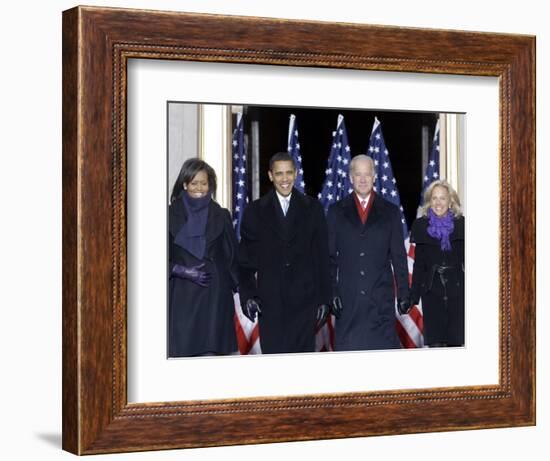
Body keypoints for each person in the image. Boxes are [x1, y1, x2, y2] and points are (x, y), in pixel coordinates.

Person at [238, 152, 332, 354]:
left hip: (305, 304)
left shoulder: (313, 209)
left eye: (289, 173)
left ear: (296, 174)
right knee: (275, 368)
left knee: (302, 367)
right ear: (270, 175)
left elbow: (322, 258)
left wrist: (325, 298)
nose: (284, 179)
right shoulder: (255, 211)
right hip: (270, 304)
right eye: (279, 174)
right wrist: (248, 296)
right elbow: (245, 262)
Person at [327, 154, 410, 351]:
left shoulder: (390, 212)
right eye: (358, 174)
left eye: (367, 174)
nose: (363, 179)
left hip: (380, 303)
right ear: (350, 178)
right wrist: (331, 293)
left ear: (374, 177)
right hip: (348, 305)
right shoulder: (336, 211)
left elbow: (399, 258)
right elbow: (328, 258)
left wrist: (404, 293)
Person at [168, 158, 239, 357]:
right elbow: (151, 259)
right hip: (182, 299)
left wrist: (245, 291)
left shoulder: (222, 215)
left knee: (213, 363)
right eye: (194, 183)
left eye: (204, 183)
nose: (199, 187)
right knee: (183, 360)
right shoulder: (166, 215)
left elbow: (233, 258)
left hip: (215, 300)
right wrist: (179, 270)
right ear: (184, 184)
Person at [409, 180, 465, 347]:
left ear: (450, 202)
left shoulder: (462, 224)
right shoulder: (421, 226)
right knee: (436, 347)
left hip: (458, 294)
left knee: (457, 346)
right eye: (434, 198)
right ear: (429, 201)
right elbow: (419, 267)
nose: (438, 203)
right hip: (432, 294)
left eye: (442, 198)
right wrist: (413, 296)